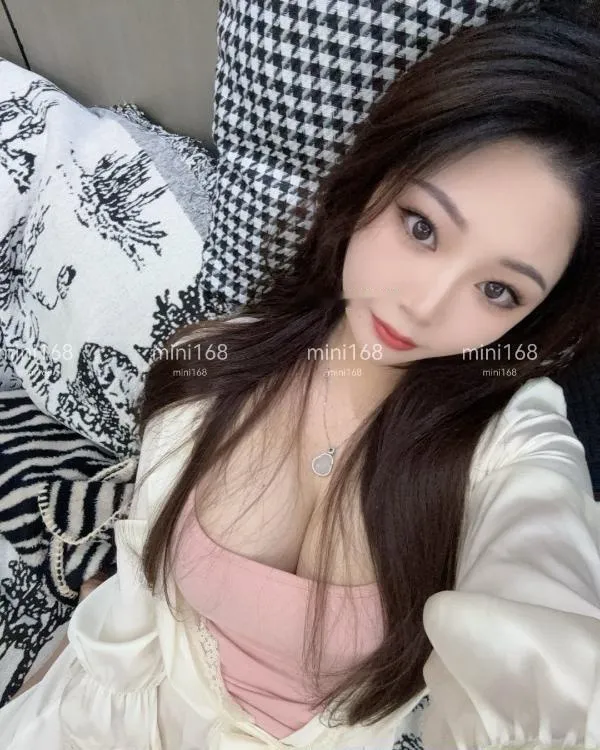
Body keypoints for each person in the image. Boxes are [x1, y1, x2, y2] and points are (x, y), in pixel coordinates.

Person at [2, 3, 600, 749]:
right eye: (422, 227)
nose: (422, 305)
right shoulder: (218, 356)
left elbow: (554, 661)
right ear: (370, 184)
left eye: (498, 290)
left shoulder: (505, 446)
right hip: (111, 701)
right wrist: (100, 625)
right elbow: (147, 564)